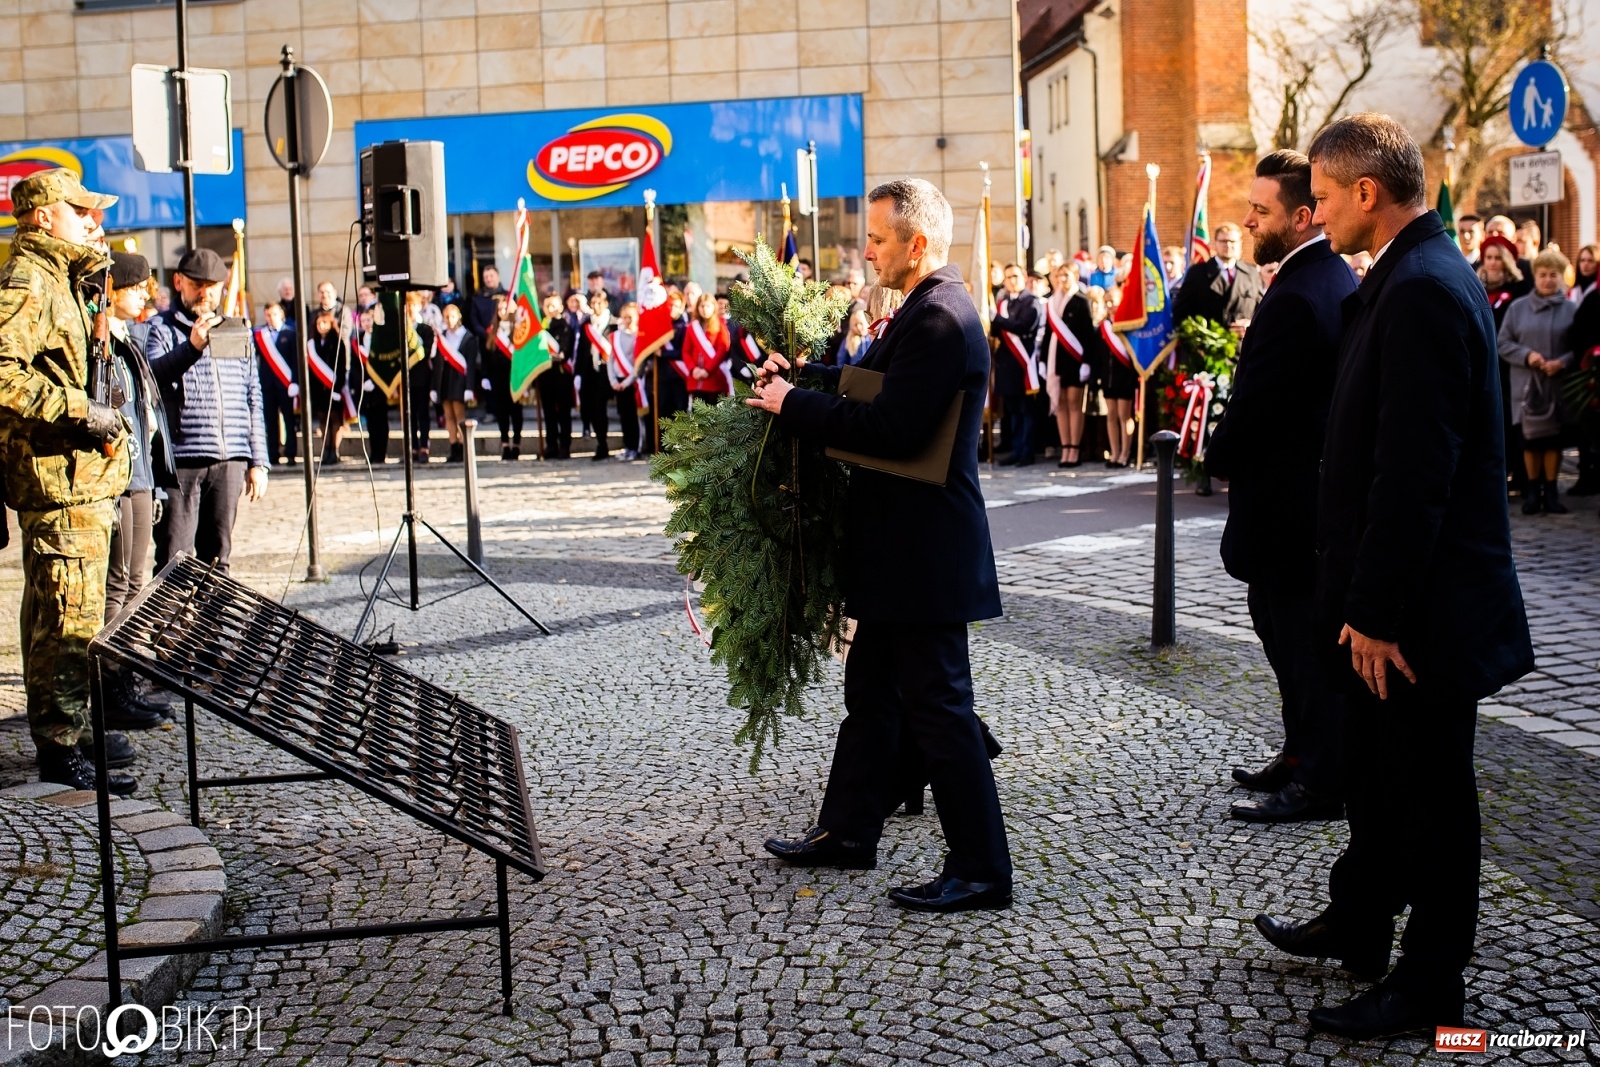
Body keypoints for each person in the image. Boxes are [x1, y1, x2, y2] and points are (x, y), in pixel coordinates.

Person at [1255, 113, 1533, 1040]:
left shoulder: (1420, 287)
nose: (1317, 213)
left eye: (1325, 198)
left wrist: (1374, 613)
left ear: (1367, 193)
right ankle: (1361, 916)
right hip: (1386, 604)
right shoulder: (1405, 276)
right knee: (1376, 776)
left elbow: (1416, 472)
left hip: (1420, 614)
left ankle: (1428, 985)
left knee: (1431, 793)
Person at [751, 177, 1012, 913]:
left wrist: (792, 406)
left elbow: (891, 429)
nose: (865, 250)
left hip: (924, 554)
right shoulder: (928, 309)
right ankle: (849, 829)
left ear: (916, 243)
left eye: (876, 238)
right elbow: (874, 387)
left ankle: (982, 868)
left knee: (941, 710)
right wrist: (805, 375)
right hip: (904, 551)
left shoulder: (938, 317)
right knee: (873, 694)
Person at [1205, 150, 1357, 823]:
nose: (1247, 219)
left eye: (1260, 211)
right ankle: (1299, 753)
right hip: (1292, 502)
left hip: (1292, 506)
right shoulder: (1311, 277)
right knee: (1283, 635)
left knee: (1301, 644)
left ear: (1301, 217)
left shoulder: (1304, 290)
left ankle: (1320, 778)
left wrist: (1217, 453)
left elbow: (1263, 403)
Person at [0, 168, 137, 793]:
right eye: (82, 211)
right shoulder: (31, 277)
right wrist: (82, 411)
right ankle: (59, 747)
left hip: (82, 479)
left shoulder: (68, 280)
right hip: (59, 479)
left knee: (74, 613)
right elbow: (4, 375)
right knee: (63, 616)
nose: (95, 221)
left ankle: (75, 728)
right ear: (46, 214)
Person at [145, 247, 268, 575]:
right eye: (196, 284)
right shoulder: (161, 328)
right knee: (175, 558)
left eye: (211, 286)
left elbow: (252, 396)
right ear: (179, 282)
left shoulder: (236, 330)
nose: (204, 292)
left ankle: (211, 626)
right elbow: (153, 376)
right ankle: (174, 627)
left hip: (230, 460)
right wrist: (192, 347)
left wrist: (258, 461)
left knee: (218, 559)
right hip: (181, 463)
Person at [101, 252, 177, 736]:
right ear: (114, 290)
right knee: (115, 585)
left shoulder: (129, 340)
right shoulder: (104, 343)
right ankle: (110, 686)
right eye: (136, 287)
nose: (145, 295)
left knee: (133, 584)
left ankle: (125, 678)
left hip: (143, 471)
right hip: (119, 475)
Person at [1498, 248, 1576, 515]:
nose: (1548, 280)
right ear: (1535, 276)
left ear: (1561, 277)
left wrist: (1563, 361)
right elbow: (1503, 342)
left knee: (1553, 440)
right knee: (1530, 441)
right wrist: (1527, 355)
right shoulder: (1518, 308)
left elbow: (1580, 347)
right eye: (1542, 275)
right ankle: (1533, 493)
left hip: (1556, 384)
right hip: (1527, 386)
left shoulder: (1571, 309)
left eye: (1553, 275)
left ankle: (1552, 492)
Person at [989, 263, 1042, 466]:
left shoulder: (1031, 302)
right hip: (1006, 364)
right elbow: (997, 329)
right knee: (1012, 410)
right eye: (1008, 277)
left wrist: (998, 319)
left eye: (1015, 276)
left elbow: (1023, 326)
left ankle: (1026, 452)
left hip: (1023, 364)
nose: (1012, 280)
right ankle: (1015, 449)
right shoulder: (1002, 302)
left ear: (1024, 276)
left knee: (1025, 410)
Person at [1173, 222, 1262, 338]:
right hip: (1207, 350)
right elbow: (1180, 314)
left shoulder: (1252, 272)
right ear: (1215, 244)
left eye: (1232, 241)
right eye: (1223, 241)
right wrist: (1196, 344)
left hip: (1242, 348)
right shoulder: (1197, 273)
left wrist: (1251, 324)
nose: (1228, 245)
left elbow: (1261, 310)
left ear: (1240, 244)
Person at [1043, 264, 1094, 468]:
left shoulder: (1082, 301)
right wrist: (1042, 361)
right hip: (1057, 360)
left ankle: (1075, 449)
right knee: (1060, 403)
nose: (1062, 280)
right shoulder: (1052, 301)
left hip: (1075, 359)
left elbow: (1088, 335)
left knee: (1074, 403)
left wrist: (1087, 362)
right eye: (1059, 276)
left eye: (1066, 275)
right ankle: (1065, 448)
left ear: (1074, 276)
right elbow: (1048, 334)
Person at [479, 292, 525, 460]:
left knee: (516, 411)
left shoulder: (519, 328)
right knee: (502, 411)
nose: (502, 311)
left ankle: (517, 444)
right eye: (499, 309)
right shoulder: (492, 331)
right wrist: (485, 376)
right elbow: (486, 355)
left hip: (515, 376)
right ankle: (505, 443)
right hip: (498, 377)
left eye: (505, 307)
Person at [431, 301, 479, 463]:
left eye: (452, 316)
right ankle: (454, 447)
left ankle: (463, 446)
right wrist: (434, 387)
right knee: (448, 415)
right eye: (446, 317)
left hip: (460, 380)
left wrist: (470, 387)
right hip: (445, 380)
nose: (449, 320)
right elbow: (438, 363)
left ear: (458, 317)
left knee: (459, 415)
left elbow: (471, 364)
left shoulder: (468, 337)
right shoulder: (442, 337)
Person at [253, 303, 299, 465]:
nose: (270, 318)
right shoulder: (260, 335)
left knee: (289, 420)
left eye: (273, 314)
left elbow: (296, 360)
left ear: (281, 314)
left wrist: (295, 382)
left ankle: (291, 453)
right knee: (270, 422)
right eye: (267, 315)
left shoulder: (290, 334)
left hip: (286, 385)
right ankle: (273, 454)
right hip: (267, 385)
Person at [577, 291, 616, 460]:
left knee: (600, 408)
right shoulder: (586, 324)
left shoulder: (613, 324)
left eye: (599, 303)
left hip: (606, 371)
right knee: (591, 408)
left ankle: (603, 444)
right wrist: (577, 373)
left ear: (606, 303)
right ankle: (601, 441)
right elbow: (580, 350)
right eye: (593, 303)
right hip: (589, 371)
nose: (596, 306)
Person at [609, 301, 644, 460]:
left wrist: (627, 381)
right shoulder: (615, 336)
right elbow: (611, 360)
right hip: (618, 381)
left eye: (630, 317)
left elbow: (640, 364)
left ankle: (635, 448)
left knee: (633, 417)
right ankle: (627, 446)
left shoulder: (640, 337)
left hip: (632, 382)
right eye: (624, 317)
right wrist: (613, 381)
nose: (627, 320)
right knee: (623, 416)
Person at [682, 292, 730, 405]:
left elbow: (722, 350)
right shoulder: (691, 327)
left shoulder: (720, 326)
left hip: (714, 379)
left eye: (708, 306)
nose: (705, 309)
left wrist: (707, 370)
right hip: (695, 380)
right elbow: (686, 351)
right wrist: (693, 369)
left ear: (714, 307)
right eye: (702, 306)